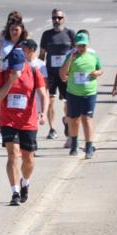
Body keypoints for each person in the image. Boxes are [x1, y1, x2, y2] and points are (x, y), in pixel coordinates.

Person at [0, 47, 48, 206]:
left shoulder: (33, 71)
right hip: (8, 120)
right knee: (13, 154)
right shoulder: (3, 74)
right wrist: (10, 81)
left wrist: (43, 113)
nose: (15, 70)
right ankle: (15, 191)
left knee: (28, 158)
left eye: (17, 67)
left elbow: (43, 95)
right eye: (13, 67)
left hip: (28, 121)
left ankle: (25, 182)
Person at [60, 31, 103, 159]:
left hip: (89, 92)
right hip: (73, 93)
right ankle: (74, 145)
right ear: (75, 45)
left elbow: (100, 69)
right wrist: (70, 60)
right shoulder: (70, 55)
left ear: (87, 44)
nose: (81, 48)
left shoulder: (93, 54)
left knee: (87, 119)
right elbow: (62, 74)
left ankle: (89, 147)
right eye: (79, 45)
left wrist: (97, 73)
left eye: (83, 45)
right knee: (74, 120)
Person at [40, 9, 74, 140]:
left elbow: (76, 52)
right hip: (51, 73)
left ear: (64, 19)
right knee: (50, 101)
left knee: (67, 101)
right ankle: (52, 128)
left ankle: (67, 120)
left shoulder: (70, 33)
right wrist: (39, 71)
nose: (57, 21)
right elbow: (42, 55)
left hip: (66, 73)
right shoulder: (47, 34)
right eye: (54, 18)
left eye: (59, 18)